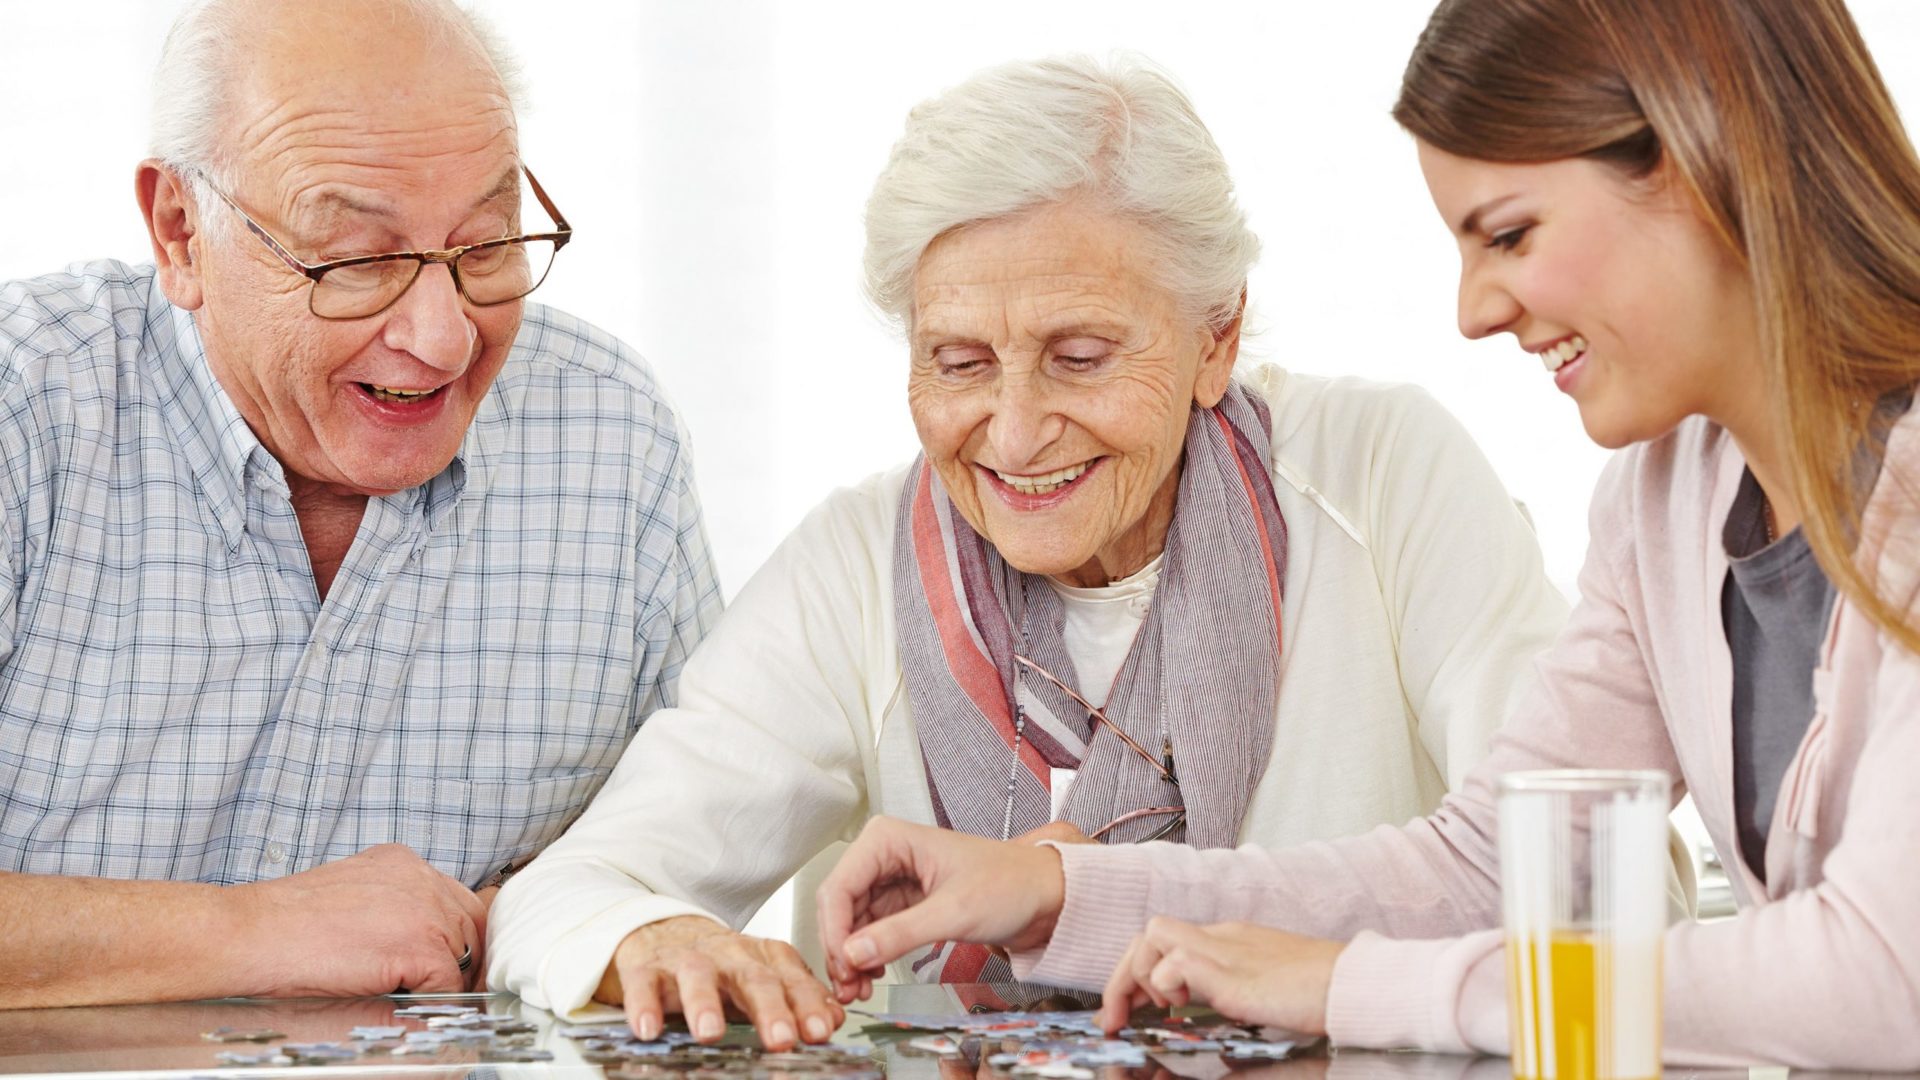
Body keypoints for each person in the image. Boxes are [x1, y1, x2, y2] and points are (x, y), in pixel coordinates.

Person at [814, 0, 1920, 1068]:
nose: (1473, 310)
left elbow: (1886, 975)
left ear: (1706, 169)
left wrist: (1348, 983)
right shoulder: (1662, 500)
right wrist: (1063, 893)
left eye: (1511, 234)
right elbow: (1490, 865)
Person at [488, 52, 1572, 1049]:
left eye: (1081, 356)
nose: (1012, 434)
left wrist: (1090, 897)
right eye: (958, 362)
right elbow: (575, 888)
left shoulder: (1387, 478)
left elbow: (1577, 885)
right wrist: (648, 933)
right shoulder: (855, 563)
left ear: (1218, 338)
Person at [0, 0, 719, 1005]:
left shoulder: (609, 434)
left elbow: (682, 856)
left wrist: (601, 923)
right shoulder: (24, 408)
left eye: (484, 246)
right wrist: (249, 933)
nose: (443, 339)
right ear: (180, 233)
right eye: (357, 261)